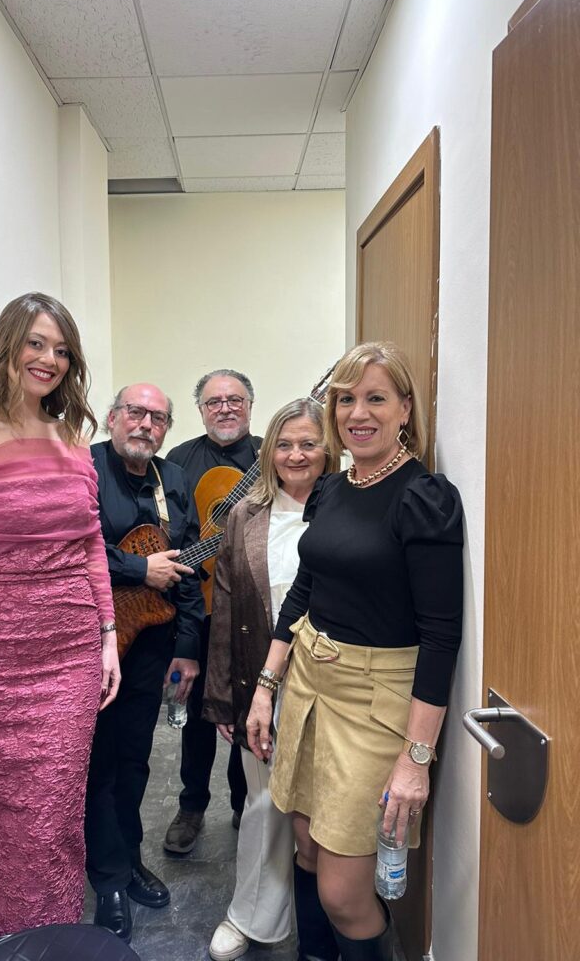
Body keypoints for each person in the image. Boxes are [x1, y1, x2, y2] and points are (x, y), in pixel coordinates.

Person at [246, 342, 464, 961]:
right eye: (346, 399)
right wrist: (267, 685)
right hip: (309, 683)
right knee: (307, 849)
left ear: (405, 410)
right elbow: (307, 590)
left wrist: (416, 759)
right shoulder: (333, 488)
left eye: (375, 398)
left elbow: (440, 636)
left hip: (375, 703)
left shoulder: (424, 498)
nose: (358, 413)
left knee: (344, 893)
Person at [0, 292, 119, 935]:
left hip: (69, 651)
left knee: (54, 811)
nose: (49, 359)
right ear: (8, 345)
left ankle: (53, 936)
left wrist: (108, 637)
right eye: (37, 343)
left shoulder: (72, 439)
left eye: (62, 350)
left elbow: (91, 544)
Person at [203, 399, 340, 961]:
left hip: (335, 685)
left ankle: (330, 921)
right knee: (263, 804)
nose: (295, 455)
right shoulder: (246, 515)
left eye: (308, 443)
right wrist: (222, 700)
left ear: (328, 449)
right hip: (261, 682)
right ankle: (252, 917)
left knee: (325, 809)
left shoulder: (347, 507)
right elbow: (225, 609)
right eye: (284, 445)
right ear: (268, 452)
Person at [86, 384, 204, 943]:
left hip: (152, 642)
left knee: (135, 758)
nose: (145, 424)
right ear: (112, 417)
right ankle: (108, 877)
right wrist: (139, 570)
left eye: (158, 418)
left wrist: (188, 645)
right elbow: (72, 547)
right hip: (91, 641)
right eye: (135, 412)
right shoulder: (83, 469)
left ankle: (129, 858)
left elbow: (187, 563)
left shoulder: (171, 479)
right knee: (99, 761)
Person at [163, 369, 261, 854]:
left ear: (250, 406)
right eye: (214, 401)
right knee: (198, 711)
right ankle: (192, 806)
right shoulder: (178, 460)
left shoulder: (270, 454)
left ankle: (247, 804)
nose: (225, 408)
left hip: (252, 606)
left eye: (235, 399)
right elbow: (171, 533)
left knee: (249, 708)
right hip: (198, 605)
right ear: (200, 410)